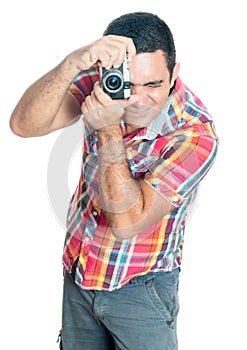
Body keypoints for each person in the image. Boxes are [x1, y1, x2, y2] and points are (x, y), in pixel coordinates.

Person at [10, 11, 218, 350]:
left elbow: (127, 223)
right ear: (106, 73)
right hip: (80, 271)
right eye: (127, 84)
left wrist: (107, 128)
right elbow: (23, 125)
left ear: (174, 73)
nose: (137, 99)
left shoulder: (195, 136)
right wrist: (69, 65)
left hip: (141, 288)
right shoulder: (103, 85)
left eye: (153, 85)